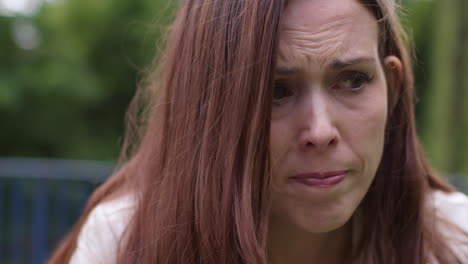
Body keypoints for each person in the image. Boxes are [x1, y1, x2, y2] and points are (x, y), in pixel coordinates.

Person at [49, 0, 468, 263]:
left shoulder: (455, 240)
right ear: (212, 110)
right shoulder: (124, 244)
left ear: (392, 88)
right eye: (276, 91)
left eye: (353, 80)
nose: (320, 131)